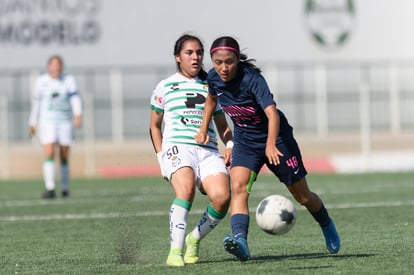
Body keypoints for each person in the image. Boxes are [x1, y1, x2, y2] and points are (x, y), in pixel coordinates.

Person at [195, 36, 340, 261]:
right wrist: (204, 129)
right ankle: (240, 241)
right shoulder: (214, 77)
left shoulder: (253, 79)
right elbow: (211, 101)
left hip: (278, 140)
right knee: (239, 187)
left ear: (237, 59)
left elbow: (272, 114)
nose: (223, 68)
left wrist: (271, 144)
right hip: (246, 142)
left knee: (302, 196)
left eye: (229, 62)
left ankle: (325, 223)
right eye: (218, 62)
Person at [149, 34, 234, 267]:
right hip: (178, 147)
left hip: (207, 151)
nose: (195, 57)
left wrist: (229, 145)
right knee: (185, 190)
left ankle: (194, 238)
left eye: (198, 52)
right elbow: (154, 126)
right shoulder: (164, 86)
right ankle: (175, 251)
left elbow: (223, 125)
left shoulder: (211, 86)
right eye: (189, 53)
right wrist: (162, 160)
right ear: (178, 57)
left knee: (222, 198)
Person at [29, 55, 82, 199]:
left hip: (65, 122)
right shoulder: (41, 82)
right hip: (48, 122)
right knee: (49, 151)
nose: (56, 67)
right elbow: (36, 104)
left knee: (64, 155)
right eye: (53, 64)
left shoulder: (68, 80)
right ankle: (50, 188)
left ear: (62, 67)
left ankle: (64, 188)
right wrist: (32, 122)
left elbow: (74, 98)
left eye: (58, 64)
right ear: (49, 67)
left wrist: (78, 114)